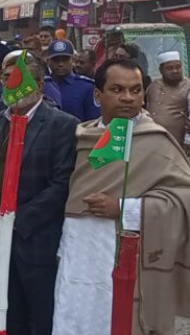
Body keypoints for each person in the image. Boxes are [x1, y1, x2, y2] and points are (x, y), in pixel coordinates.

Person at [53, 58, 190, 335]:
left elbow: (184, 198)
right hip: (79, 253)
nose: (128, 98)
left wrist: (124, 207)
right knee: (75, 314)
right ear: (97, 94)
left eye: (136, 90)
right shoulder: (84, 137)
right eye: (117, 89)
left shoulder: (155, 141)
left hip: (129, 254)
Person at [0, 53, 78, 334]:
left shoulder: (63, 125)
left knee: (42, 314)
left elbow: (61, 184)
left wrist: (15, 220)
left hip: (36, 239)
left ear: (40, 87)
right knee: (8, 311)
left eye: (19, 80)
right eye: (6, 79)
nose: (11, 86)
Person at [47, 40, 100, 121]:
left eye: (65, 59)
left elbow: (93, 122)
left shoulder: (87, 87)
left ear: (73, 60)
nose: (60, 64)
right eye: (56, 60)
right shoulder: (43, 85)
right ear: (48, 61)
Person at [145, 50, 190, 145]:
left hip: (176, 143)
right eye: (169, 68)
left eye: (178, 67)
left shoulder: (188, 86)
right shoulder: (153, 85)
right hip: (149, 138)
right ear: (161, 70)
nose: (175, 71)